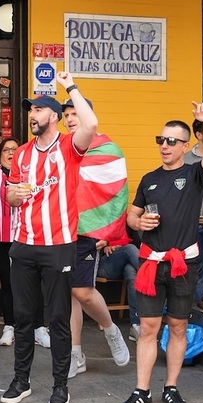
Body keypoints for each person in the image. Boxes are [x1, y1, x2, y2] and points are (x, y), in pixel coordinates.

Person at [115, 102, 203, 403]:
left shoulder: (195, 174)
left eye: (171, 141)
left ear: (185, 146)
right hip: (151, 263)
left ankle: (171, 387)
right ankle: (141, 391)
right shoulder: (149, 178)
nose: (164, 146)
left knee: (178, 327)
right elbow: (132, 216)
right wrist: (139, 223)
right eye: (160, 140)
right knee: (148, 328)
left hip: (183, 264)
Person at [0, 72, 96, 403]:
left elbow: (91, 123)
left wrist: (70, 86)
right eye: (30, 110)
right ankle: (21, 380)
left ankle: (59, 385)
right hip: (23, 243)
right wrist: (14, 194)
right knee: (24, 315)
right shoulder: (22, 154)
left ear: (53, 116)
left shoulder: (69, 147)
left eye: (39, 109)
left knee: (57, 317)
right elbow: (11, 196)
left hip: (59, 244)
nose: (32, 115)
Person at [60, 97, 130, 379]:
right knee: (68, 295)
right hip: (61, 229)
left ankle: (111, 330)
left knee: (82, 291)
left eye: (75, 113)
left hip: (89, 231)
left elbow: (116, 193)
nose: (70, 119)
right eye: (66, 115)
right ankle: (76, 355)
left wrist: (108, 232)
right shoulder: (63, 146)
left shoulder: (107, 148)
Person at [0, 133, 50, 348]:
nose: (11, 153)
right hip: (2, 238)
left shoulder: (31, 174)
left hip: (30, 236)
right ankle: (10, 326)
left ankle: (39, 327)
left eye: (15, 149)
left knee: (34, 281)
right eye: (6, 150)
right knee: (8, 282)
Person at [184, 119, 203, 303]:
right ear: (199, 135)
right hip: (198, 223)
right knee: (198, 265)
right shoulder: (185, 159)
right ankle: (198, 308)